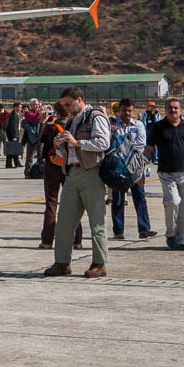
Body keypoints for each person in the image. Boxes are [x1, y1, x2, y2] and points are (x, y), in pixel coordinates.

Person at [44, 87, 112, 278]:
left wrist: (77, 142)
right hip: (72, 173)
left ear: (79, 99)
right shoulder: (72, 120)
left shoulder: (95, 117)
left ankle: (99, 263)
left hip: (91, 172)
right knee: (65, 221)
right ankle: (62, 262)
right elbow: (70, 148)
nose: (66, 108)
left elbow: (103, 143)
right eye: (64, 105)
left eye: (68, 104)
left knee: (97, 222)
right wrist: (60, 146)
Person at [111, 98, 156, 241]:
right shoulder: (112, 124)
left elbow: (141, 143)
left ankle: (144, 228)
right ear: (119, 110)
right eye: (124, 110)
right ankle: (118, 231)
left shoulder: (139, 124)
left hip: (135, 166)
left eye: (130, 110)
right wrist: (118, 138)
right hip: (118, 167)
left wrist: (120, 139)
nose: (127, 113)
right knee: (118, 199)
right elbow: (109, 144)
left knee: (140, 197)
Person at [146, 99, 184, 250]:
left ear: (181, 110)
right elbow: (148, 149)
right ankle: (171, 234)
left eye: (176, 108)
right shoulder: (158, 128)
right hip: (166, 174)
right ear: (165, 110)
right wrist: (141, 171)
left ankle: (183, 239)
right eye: (170, 108)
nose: (173, 110)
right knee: (173, 202)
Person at [39, 102, 82, 250]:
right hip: (70, 167)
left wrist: (43, 122)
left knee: (51, 204)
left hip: (52, 167)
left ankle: (47, 240)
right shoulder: (74, 127)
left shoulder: (51, 127)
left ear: (55, 112)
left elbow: (40, 141)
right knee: (74, 204)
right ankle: (77, 239)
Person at [22, 99, 44, 174]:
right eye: (35, 104)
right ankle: (27, 172)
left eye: (37, 104)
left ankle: (41, 172)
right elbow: (34, 120)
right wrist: (40, 113)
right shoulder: (28, 113)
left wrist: (47, 114)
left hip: (40, 136)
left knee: (41, 156)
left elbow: (47, 120)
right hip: (32, 137)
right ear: (31, 105)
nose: (37, 106)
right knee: (30, 156)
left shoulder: (40, 112)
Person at [4, 102, 22, 169]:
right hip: (13, 135)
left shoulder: (12, 114)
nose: (20, 109)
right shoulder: (14, 115)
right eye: (19, 107)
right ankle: (9, 164)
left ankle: (16, 163)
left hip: (11, 134)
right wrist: (14, 136)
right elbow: (14, 126)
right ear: (15, 107)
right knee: (13, 149)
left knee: (13, 149)